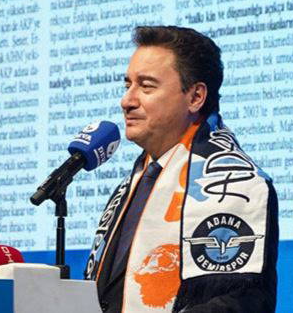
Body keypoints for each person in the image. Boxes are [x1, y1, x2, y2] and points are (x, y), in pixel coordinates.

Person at [84, 26, 278, 312]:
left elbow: (240, 303)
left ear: (195, 97)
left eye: (146, 86)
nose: (127, 101)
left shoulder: (237, 186)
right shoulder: (136, 182)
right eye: (128, 86)